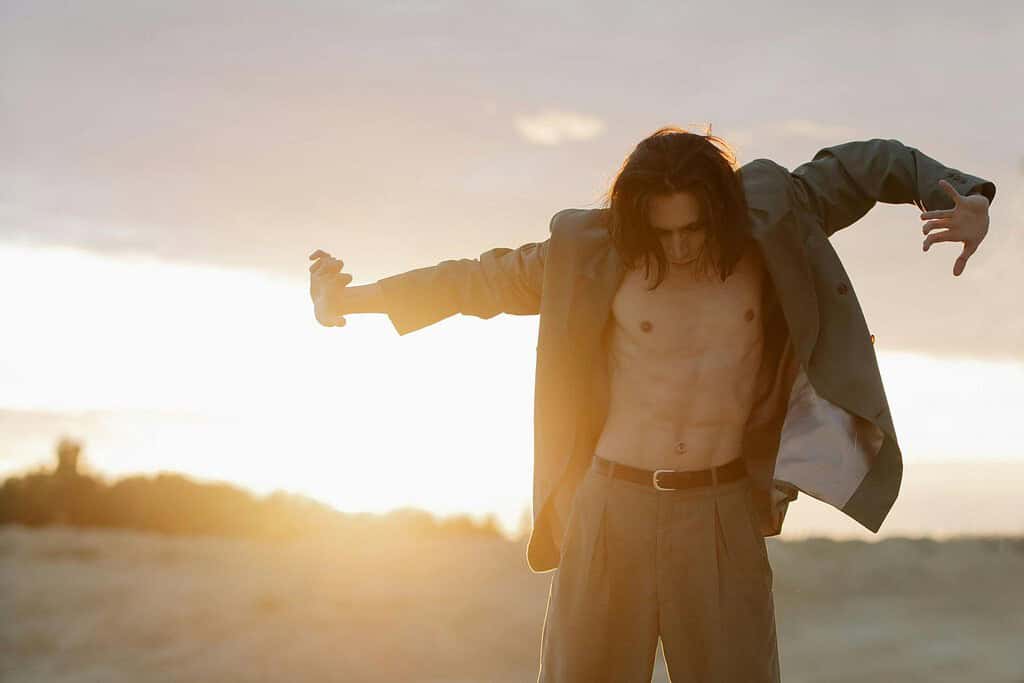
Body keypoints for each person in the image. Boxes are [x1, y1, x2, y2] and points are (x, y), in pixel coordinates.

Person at [307, 127, 995, 682]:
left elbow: (869, 165)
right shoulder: (594, 252)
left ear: (722, 210)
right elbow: (477, 281)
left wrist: (964, 194)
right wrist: (351, 298)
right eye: (661, 232)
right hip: (611, 510)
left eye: (693, 228)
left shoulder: (775, 215)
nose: (680, 245)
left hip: (722, 510)